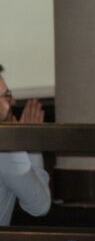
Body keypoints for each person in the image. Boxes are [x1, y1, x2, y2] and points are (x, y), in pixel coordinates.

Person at [0, 64, 51, 226]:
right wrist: (30, 141)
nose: (13, 101)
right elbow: (40, 206)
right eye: (7, 96)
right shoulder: (6, 145)